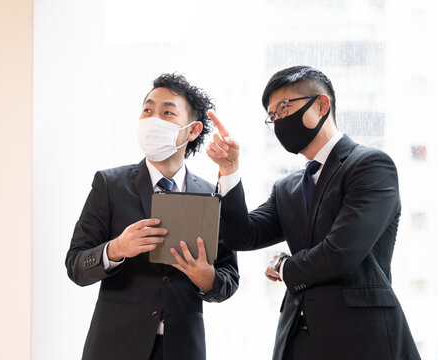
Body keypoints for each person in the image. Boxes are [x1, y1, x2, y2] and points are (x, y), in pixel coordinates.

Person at [206, 66, 420, 359]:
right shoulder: (287, 187)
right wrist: (229, 170)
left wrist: (284, 266)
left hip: (362, 340)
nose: (279, 120)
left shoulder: (369, 166)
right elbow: (242, 236)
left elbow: (341, 253)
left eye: (284, 108)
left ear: (322, 104)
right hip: (297, 340)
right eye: (273, 116)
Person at [66, 73, 239, 360]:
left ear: (192, 130)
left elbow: (229, 277)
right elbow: (75, 265)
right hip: (115, 347)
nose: (152, 119)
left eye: (167, 112)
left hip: (183, 348)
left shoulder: (212, 195)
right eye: (147, 110)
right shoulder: (109, 185)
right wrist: (116, 249)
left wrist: (207, 279)